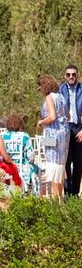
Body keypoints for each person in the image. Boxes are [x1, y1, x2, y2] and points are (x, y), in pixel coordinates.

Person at [37, 74, 70, 199]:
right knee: (60, 165)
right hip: (64, 134)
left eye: (39, 86)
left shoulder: (49, 97)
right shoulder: (61, 97)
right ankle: (60, 198)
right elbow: (68, 115)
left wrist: (41, 122)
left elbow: (52, 117)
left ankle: (55, 200)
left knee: (52, 164)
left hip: (52, 134)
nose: (39, 90)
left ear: (44, 85)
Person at [1, 113, 39, 194]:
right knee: (37, 169)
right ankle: (34, 194)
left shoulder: (2, 135)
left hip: (7, 166)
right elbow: (30, 156)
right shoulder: (24, 136)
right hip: (23, 167)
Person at [59, 64, 82, 195]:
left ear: (77, 75)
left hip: (79, 129)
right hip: (65, 130)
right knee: (66, 163)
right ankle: (67, 193)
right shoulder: (60, 90)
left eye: (73, 74)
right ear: (65, 76)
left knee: (78, 164)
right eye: (68, 74)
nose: (71, 77)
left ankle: (75, 194)